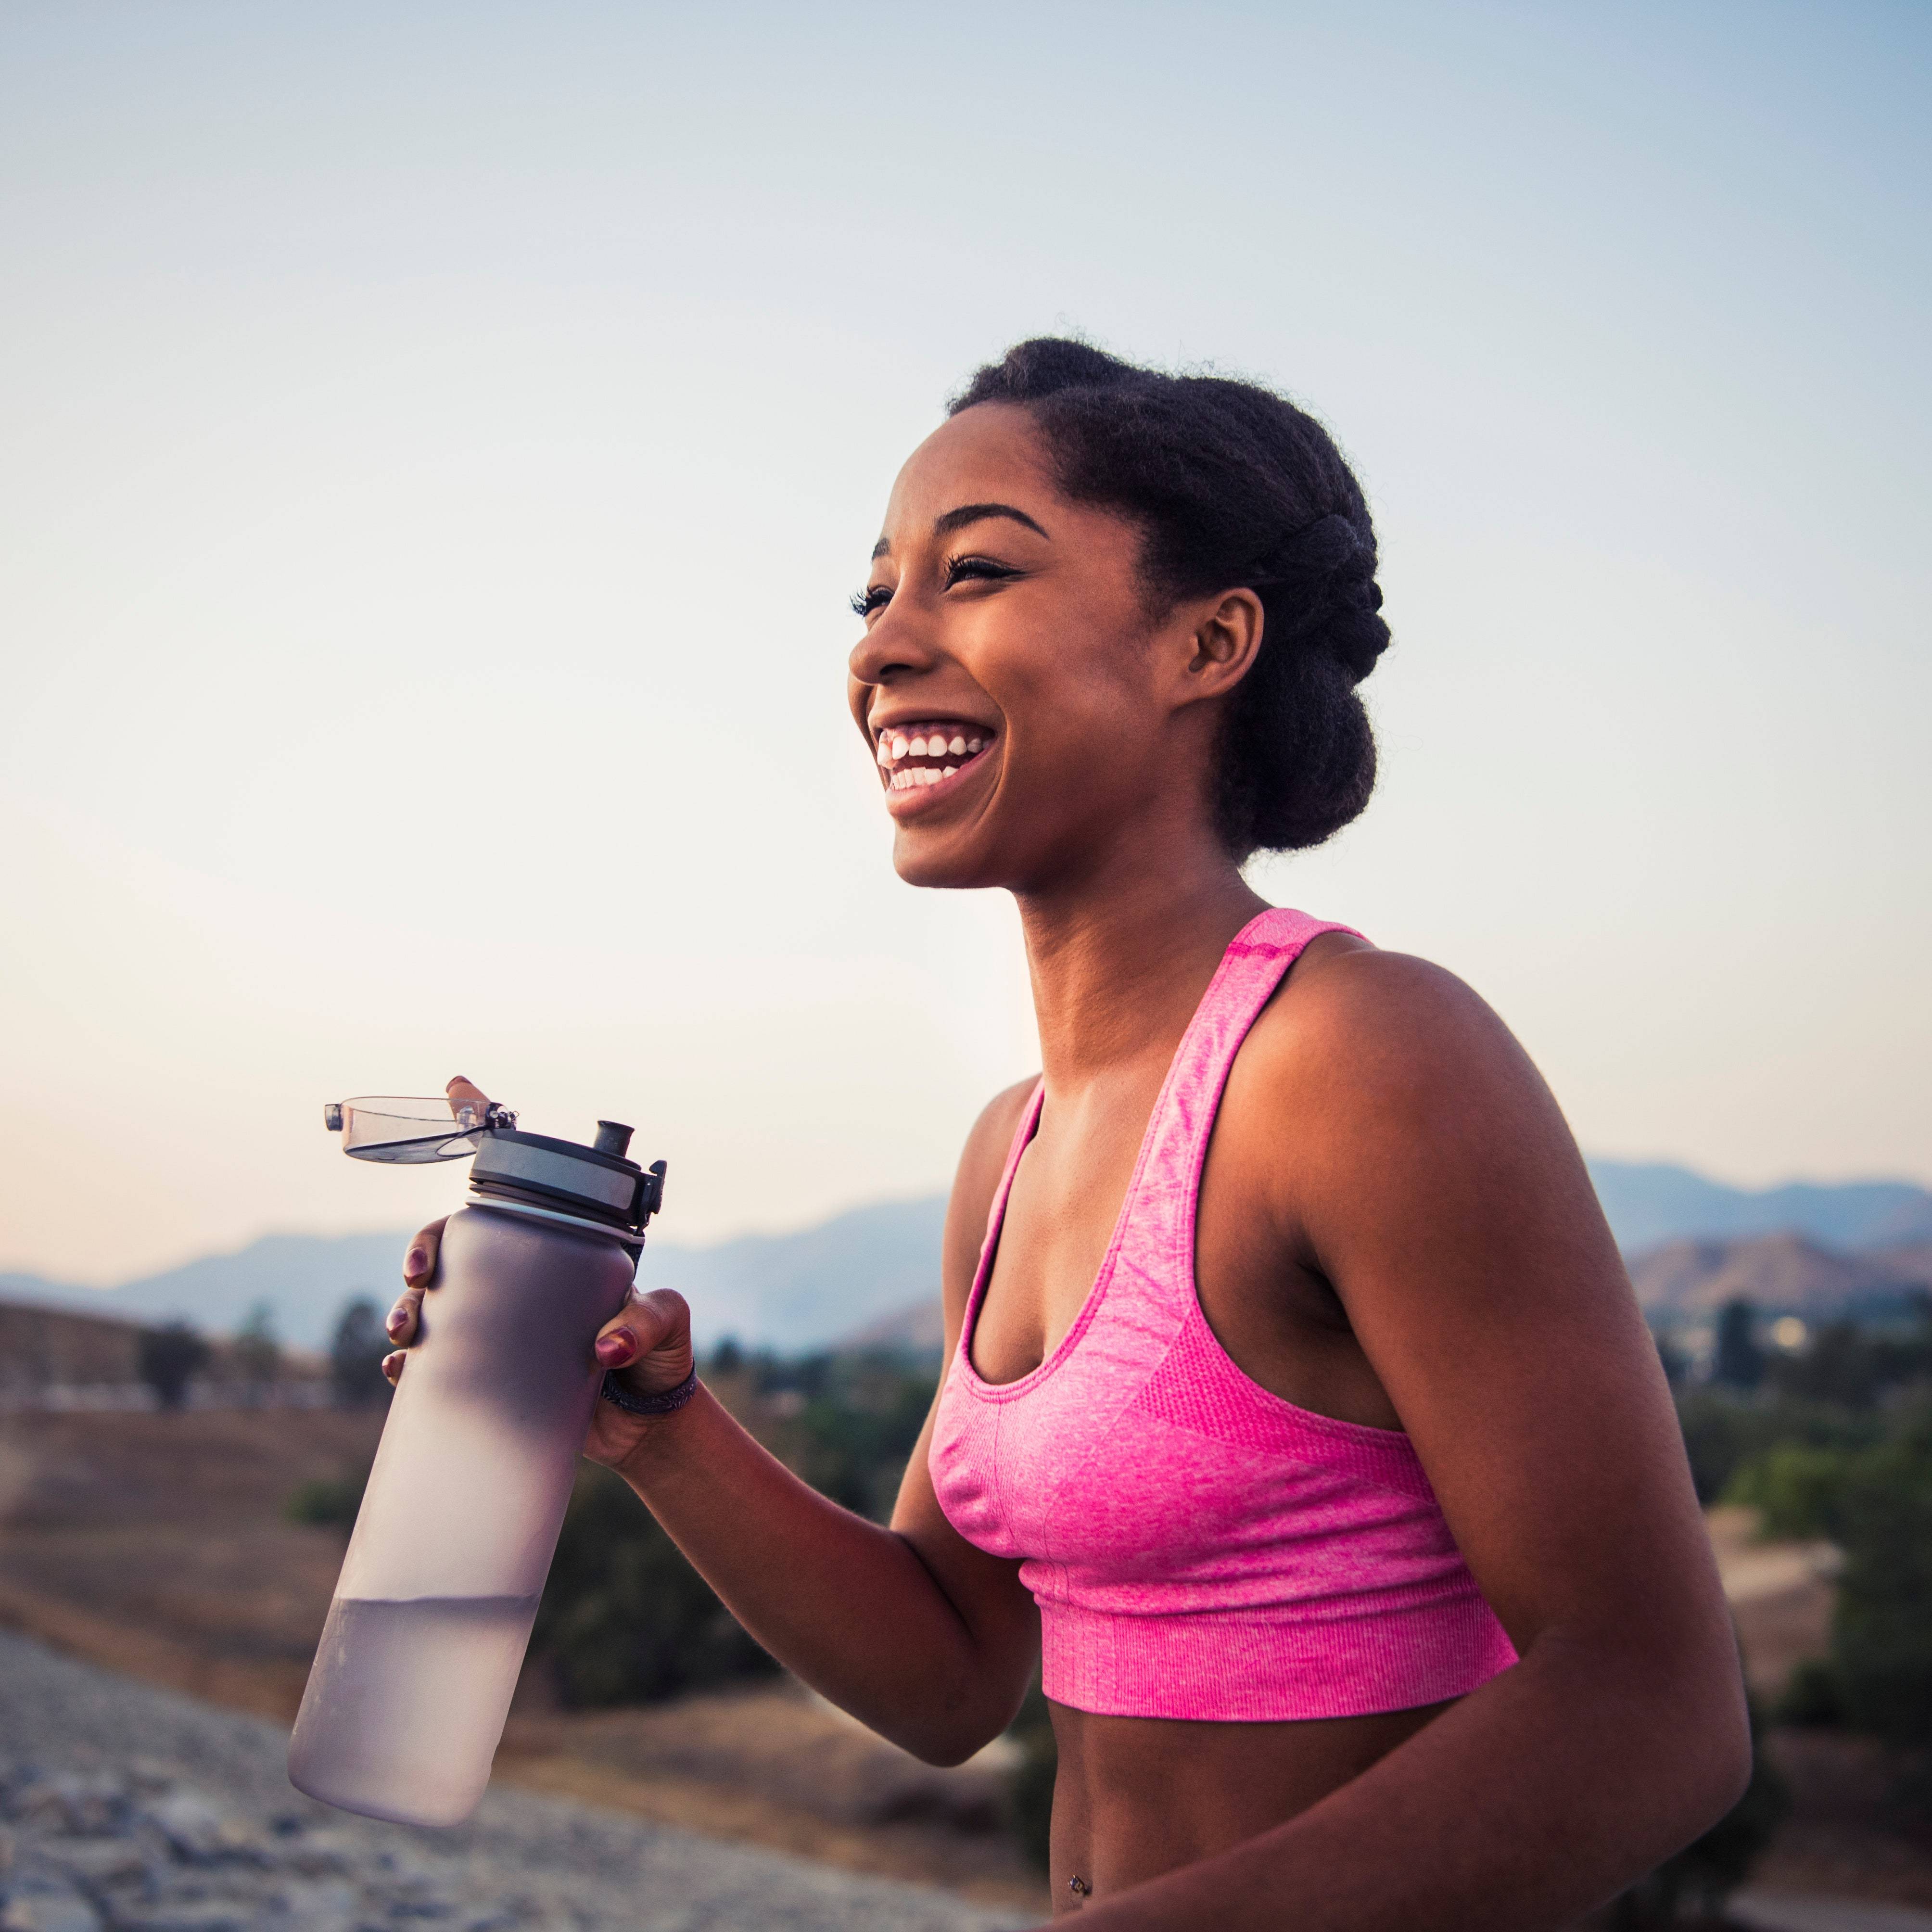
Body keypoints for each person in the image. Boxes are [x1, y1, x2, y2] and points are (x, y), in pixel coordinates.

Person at [385, 339, 1749, 1928]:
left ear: (1208, 642)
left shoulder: (1362, 1060)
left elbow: (1656, 1713)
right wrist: (657, 1431)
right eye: (871, 596)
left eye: (969, 573)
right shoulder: (1010, 1151)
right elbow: (952, 1674)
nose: (882, 648)